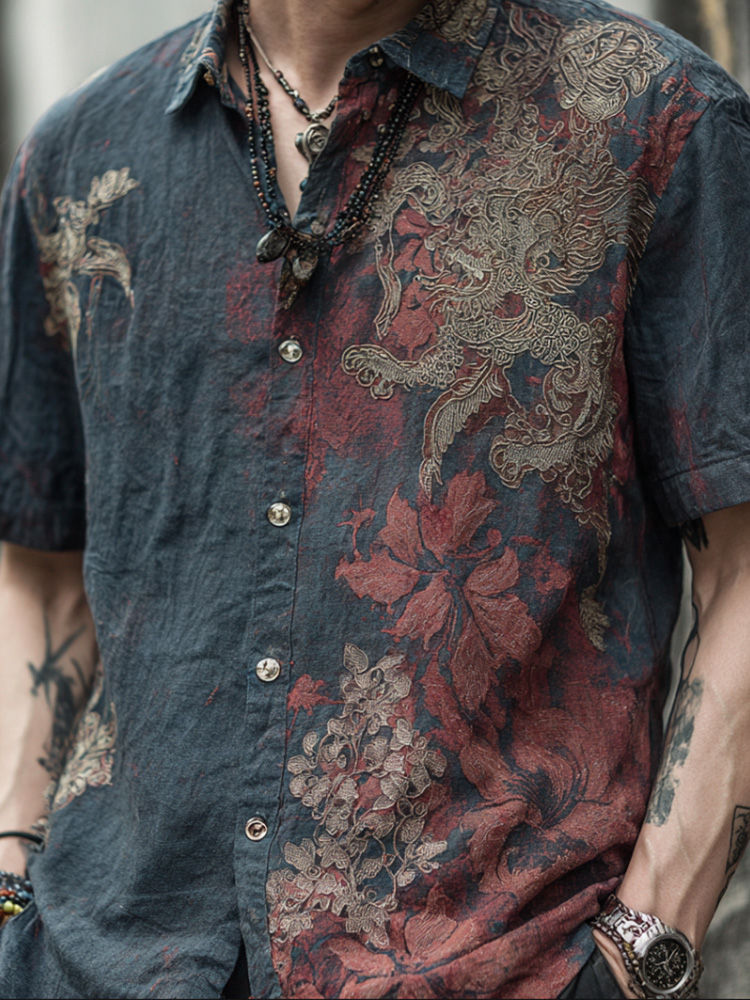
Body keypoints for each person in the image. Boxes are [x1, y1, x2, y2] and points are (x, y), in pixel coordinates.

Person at [1, 0, 749, 997]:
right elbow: (43, 570)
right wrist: (9, 881)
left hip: (503, 964)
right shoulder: (80, 156)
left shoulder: (656, 115)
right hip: (94, 962)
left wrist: (643, 952)